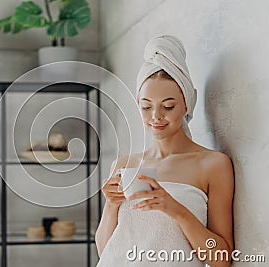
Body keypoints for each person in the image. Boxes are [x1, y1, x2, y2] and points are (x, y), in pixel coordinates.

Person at [95, 35, 234, 266]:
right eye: (146, 106)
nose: (156, 117)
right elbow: (105, 251)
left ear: (186, 104)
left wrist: (176, 210)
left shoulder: (213, 165)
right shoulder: (124, 165)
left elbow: (221, 258)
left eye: (168, 106)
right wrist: (111, 205)